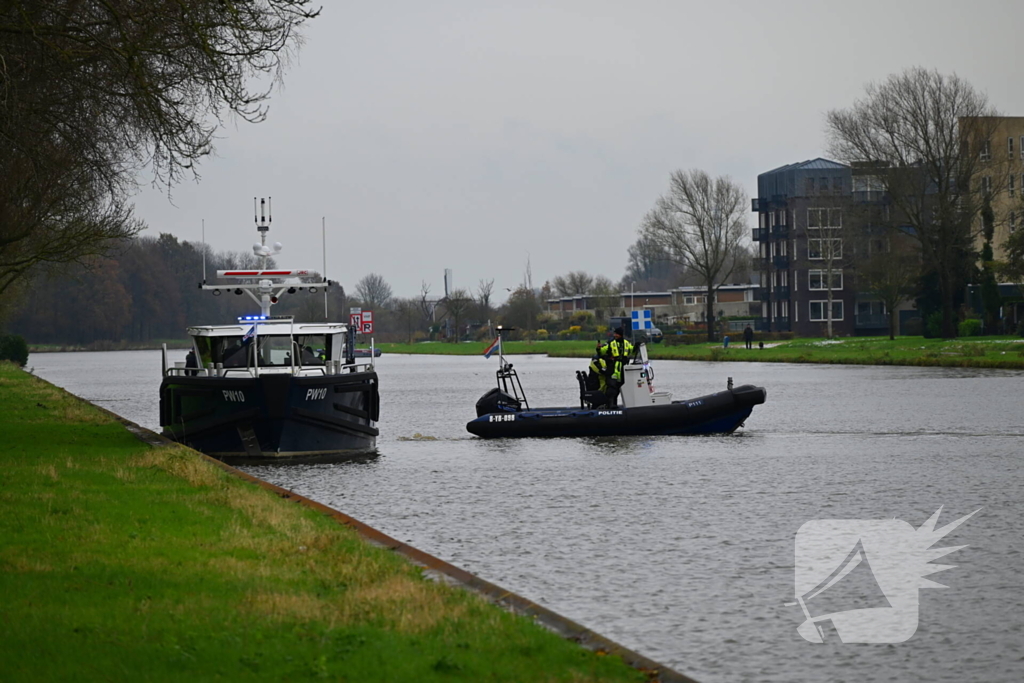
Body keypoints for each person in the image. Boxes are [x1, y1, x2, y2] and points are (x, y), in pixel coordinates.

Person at [597, 327, 634, 406]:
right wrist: (599, 348)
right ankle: (610, 404)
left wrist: (638, 346)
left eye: (616, 334)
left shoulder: (626, 343)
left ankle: (620, 405)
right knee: (611, 387)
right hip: (612, 368)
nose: (615, 335)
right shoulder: (611, 343)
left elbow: (632, 350)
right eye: (615, 334)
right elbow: (602, 351)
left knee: (620, 387)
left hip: (623, 369)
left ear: (620, 334)